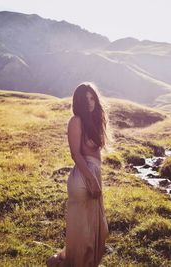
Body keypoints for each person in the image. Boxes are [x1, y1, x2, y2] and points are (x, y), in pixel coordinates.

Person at [46, 82, 110, 267]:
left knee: (98, 230)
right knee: (84, 232)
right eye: (85, 99)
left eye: (92, 98)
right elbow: (75, 154)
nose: (90, 103)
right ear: (78, 102)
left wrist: (95, 179)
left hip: (92, 175)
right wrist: (92, 180)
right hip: (83, 178)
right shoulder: (76, 121)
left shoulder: (93, 122)